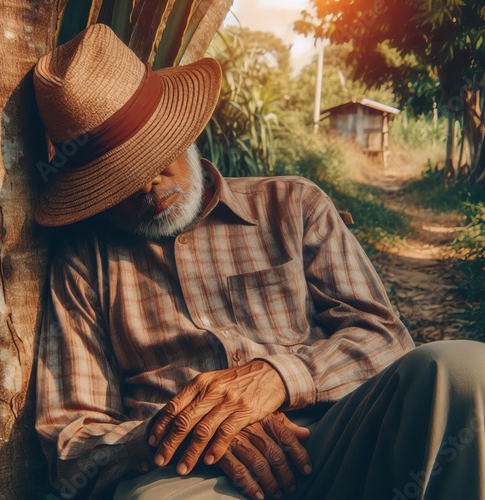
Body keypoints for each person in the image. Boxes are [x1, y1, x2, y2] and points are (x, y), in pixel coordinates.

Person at [33, 24, 485, 500]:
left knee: (462, 369)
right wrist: (174, 431)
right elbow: (71, 443)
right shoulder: (84, 264)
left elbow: (385, 340)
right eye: (119, 178)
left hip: (330, 434)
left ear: (184, 132)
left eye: (156, 156)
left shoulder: (292, 204)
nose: (148, 184)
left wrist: (278, 377)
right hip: (189, 471)